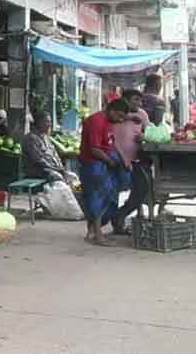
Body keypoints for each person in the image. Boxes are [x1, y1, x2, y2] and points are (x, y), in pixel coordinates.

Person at [79, 98, 129, 245]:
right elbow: (95, 149)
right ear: (111, 110)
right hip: (93, 164)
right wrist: (110, 161)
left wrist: (122, 160)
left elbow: (111, 144)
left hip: (104, 162)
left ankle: (92, 232)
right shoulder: (96, 121)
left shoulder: (110, 121)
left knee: (108, 196)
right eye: (119, 116)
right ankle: (98, 236)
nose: (120, 120)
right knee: (97, 199)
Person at [113, 90, 150, 234]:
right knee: (114, 192)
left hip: (135, 160)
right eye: (135, 100)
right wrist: (130, 116)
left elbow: (149, 132)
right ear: (125, 100)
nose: (138, 104)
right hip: (115, 159)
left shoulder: (142, 114)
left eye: (140, 101)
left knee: (140, 190)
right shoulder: (115, 113)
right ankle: (114, 222)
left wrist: (143, 136)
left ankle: (120, 217)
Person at [23, 114, 77, 185]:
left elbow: (55, 155)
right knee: (57, 178)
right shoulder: (30, 139)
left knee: (73, 178)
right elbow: (40, 160)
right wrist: (59, 171)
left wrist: (63, 170)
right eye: (46, 122)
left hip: (53, 170)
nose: (49, 125)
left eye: (50, 122)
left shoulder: (46, 137)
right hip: (39, 171)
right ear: (38, 123)